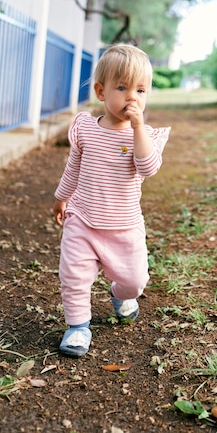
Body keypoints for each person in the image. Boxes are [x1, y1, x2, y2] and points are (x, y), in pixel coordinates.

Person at [53, 44, 171, 357]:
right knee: (74, 276)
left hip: (124, 226)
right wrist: (61, 198)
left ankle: (120, 294)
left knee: (135, 281)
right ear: (101, 92)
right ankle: (78, 327)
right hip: (83, 219)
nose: (133, 97)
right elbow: (73, 169)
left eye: (141, 90)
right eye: (123, 88)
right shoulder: (85, 129)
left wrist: (137, 129)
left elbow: (149, 168)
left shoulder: (143, 135)